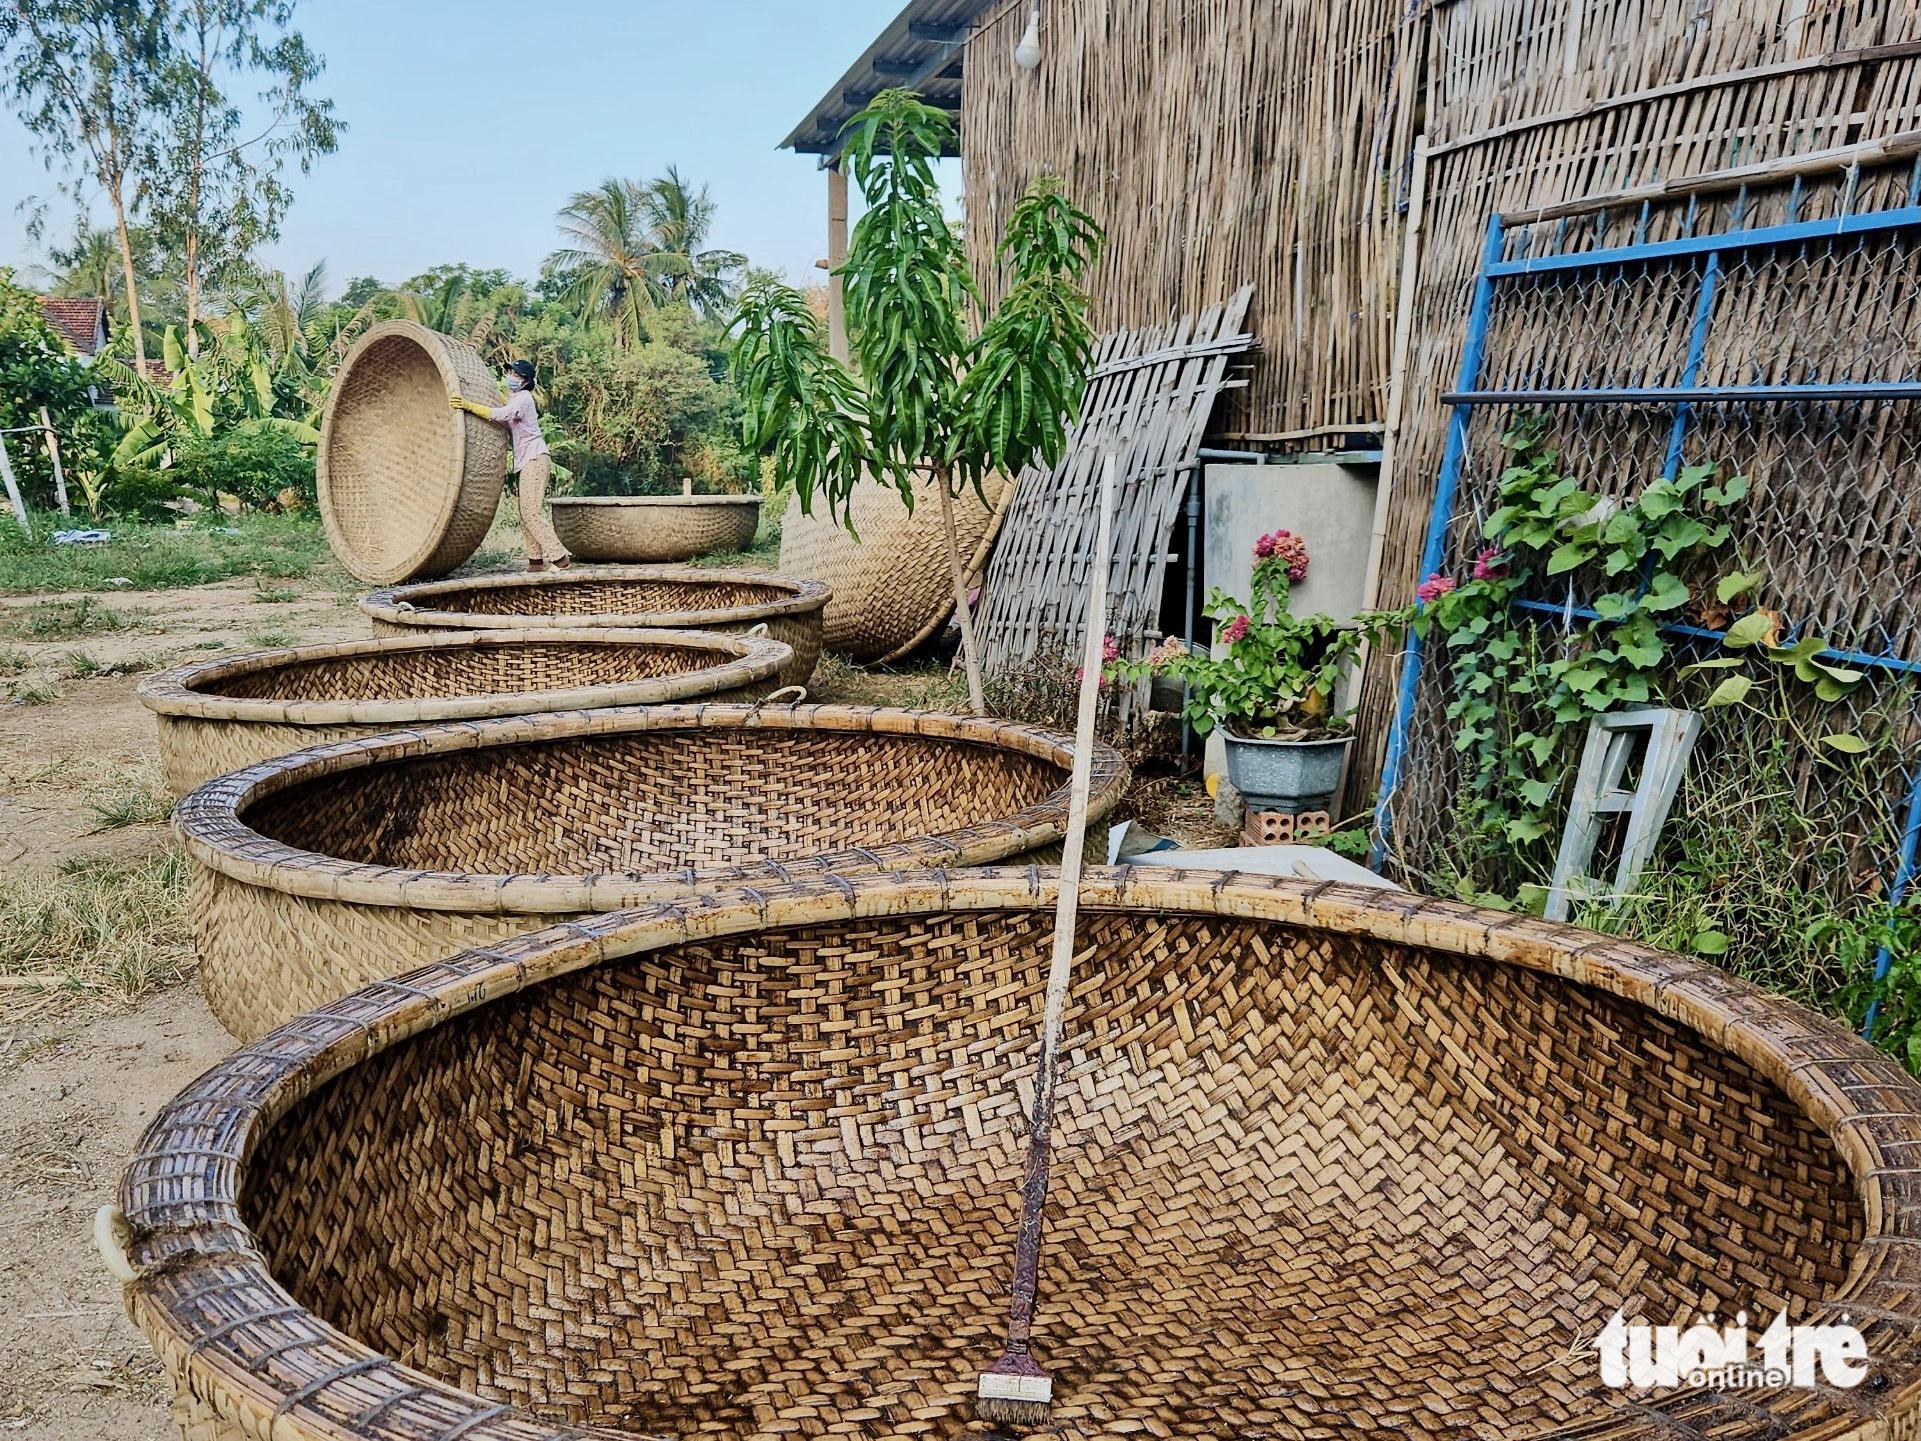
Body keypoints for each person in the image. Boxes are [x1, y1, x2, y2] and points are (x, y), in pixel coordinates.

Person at [450, 360, 571, 571]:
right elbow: (506, 420)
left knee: (531, 512)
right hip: (527, 460)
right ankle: (535, 562)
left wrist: (469, 405)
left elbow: (500, 415)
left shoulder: (523, 399)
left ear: (525, 381)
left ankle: (560, 558)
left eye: (515, 375)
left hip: (535, 458)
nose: (510, 377)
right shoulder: (516, 398)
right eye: (510, 373)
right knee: (525, 511)